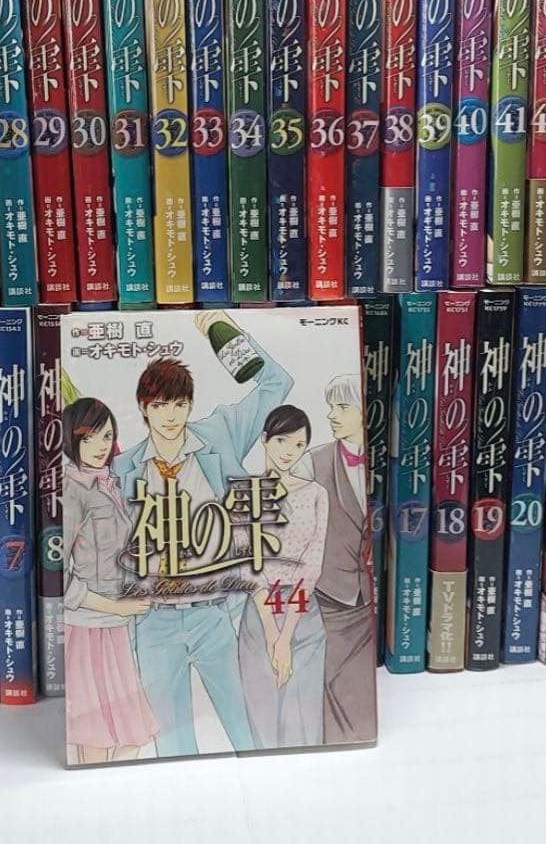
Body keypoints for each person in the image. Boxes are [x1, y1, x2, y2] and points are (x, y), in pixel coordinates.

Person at [113, 310, 292, 758]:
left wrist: (222, 331)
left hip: (215, 615)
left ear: (190, 405)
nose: (170, 416)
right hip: (153, 622)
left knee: (248, 730)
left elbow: (276, 383)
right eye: (159, 406)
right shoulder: (122, 468)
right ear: (143, 408)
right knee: (172, 746)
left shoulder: (219, 434)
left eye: (178, 404)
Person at [62, 397, 158, 764]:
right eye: (88, 438)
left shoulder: (108, 483)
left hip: (112, 625)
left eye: (106, 436)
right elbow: (61, 575)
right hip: (87, 627)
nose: (100, 446)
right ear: (72, 441)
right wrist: (115, 606)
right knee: (95, 732)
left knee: (127, 732)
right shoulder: (73, 489)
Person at [238, 405, 328, 750]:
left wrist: (285, 636)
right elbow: (248, 567)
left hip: (303, 614)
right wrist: (272, 635)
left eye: (299, 444)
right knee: (262, 714)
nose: (289, 451)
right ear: (264, 440)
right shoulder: (246, 492)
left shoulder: (316, 494)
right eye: (282, 441)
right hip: (259, 612)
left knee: (303, 717)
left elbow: (311, 565)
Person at [305, 373, 377, 744]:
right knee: (334, 679)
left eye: (342, 406)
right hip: (333, 595)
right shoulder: (313, 462)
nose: (332, 415)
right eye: (331, 406)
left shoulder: (392, 456)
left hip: (379, 592)